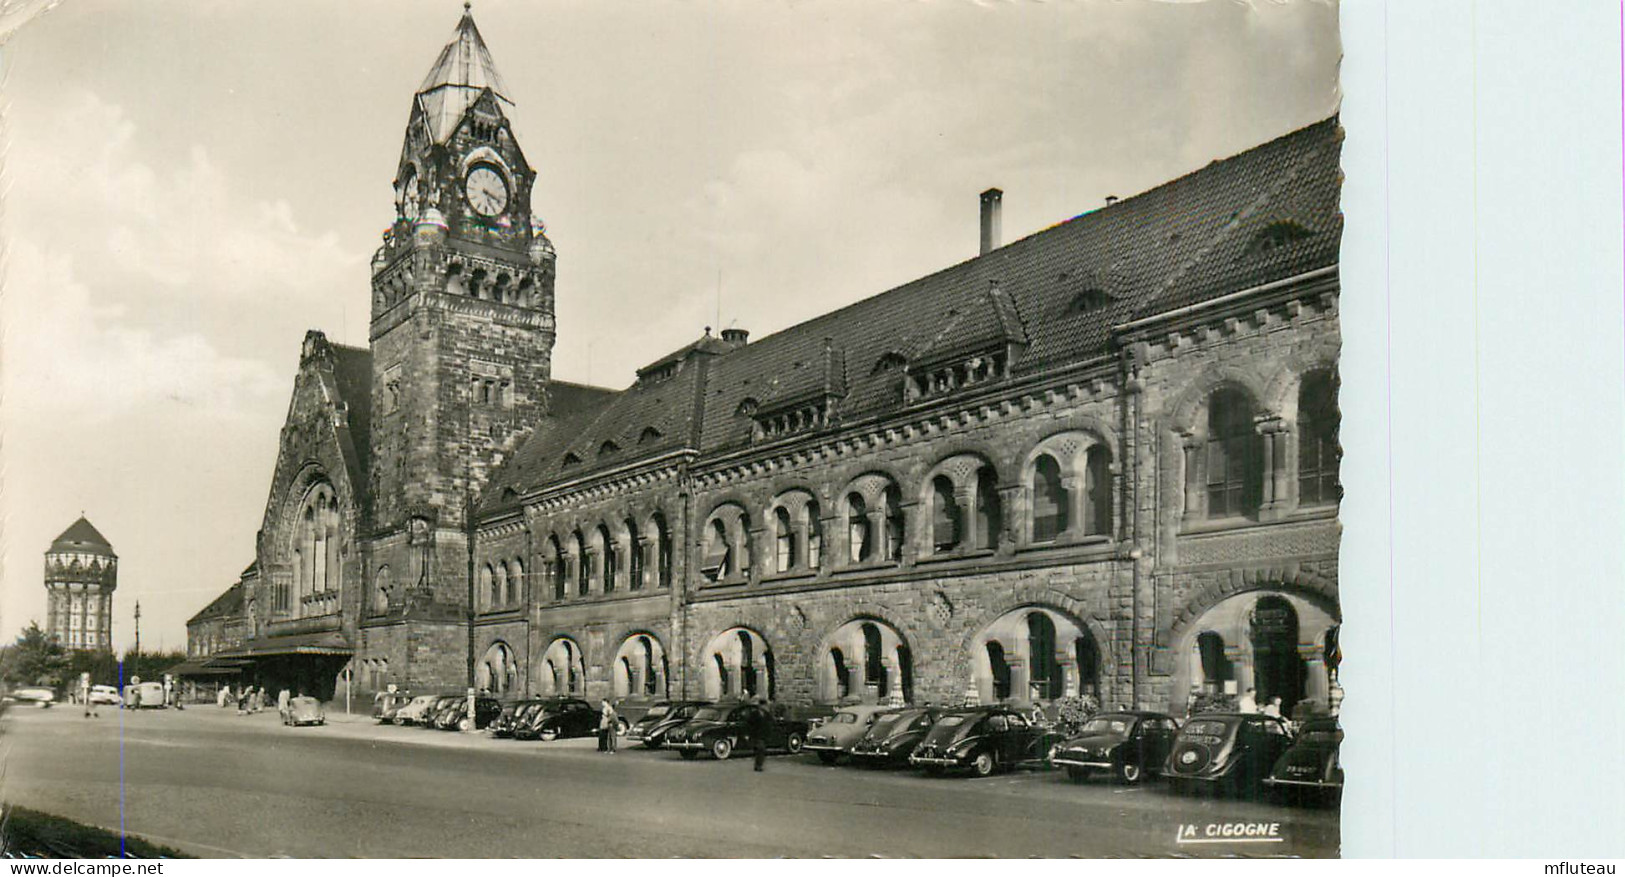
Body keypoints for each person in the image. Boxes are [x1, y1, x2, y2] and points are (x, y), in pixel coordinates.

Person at [750, 699, 770, 772]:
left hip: (763, 735)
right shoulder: (754, 714)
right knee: (760, 749)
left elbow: (769, 723)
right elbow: (750, 724)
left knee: (761, 751)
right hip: (757, 734)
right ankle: (758, 765)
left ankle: (758, 765)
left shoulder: (766, 714)